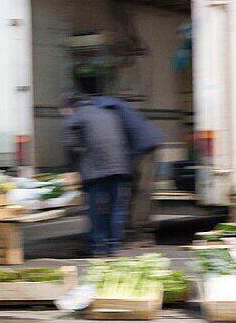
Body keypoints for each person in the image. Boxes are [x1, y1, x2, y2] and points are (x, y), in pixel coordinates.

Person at [61, 92, 132, 257]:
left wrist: (72, 169)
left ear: (69, 108)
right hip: (119, 167)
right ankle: (114, 246)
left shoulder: (74, 118)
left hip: (96, 169)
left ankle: (97, 247)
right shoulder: (108, 113)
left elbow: (70, 146)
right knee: (116, 208)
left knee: (97, 209)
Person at [93, 95, 165, 244]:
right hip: (138, 147)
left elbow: (113, 140)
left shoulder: (107, 111)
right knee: (133, 190)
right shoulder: (108, 107)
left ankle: (140, 233)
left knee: (142, 191)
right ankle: (132, 229)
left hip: (146, 148)